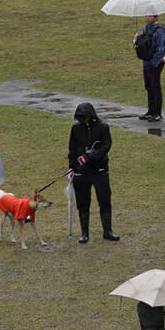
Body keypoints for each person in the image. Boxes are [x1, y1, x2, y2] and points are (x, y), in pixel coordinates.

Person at [68, 101, 117, 243]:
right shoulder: (76, 129)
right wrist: (71, 166)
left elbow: (105, 146)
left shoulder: (103, 127)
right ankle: (84, 233)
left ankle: (107, 231)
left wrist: (89, 156)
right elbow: (72, 149)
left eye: (85, 117)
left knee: (104, 200)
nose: (84, 120)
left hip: (99, 170)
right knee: (83, 203)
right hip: (81, 172)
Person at [136, 13, 165, 122]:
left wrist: (155, 61)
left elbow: (161, 47)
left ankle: (157, 113)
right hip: (146, 61)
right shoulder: (145, 28)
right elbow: (145, 43)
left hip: (155, 62)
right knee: (148, 86)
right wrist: (137, 40)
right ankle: (150, 111)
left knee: (155, 87)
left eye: (150, 16)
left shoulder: (159, 29)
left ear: (155, 17)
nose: (148, 18)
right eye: (147, 16)